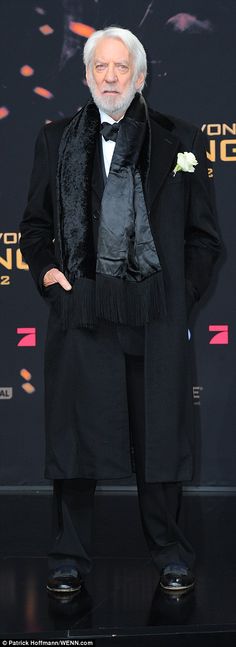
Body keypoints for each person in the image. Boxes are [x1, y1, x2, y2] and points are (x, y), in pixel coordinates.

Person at [19, 26, 222, 597]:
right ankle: (68, 558)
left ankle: (170, 553)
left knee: (159, 438)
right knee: (75, 441)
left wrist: (180, 292)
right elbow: (34, 227)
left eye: (121, 68)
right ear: (85, 76)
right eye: (100, 68)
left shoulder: (178, 138)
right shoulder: (55, 137)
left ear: (140, 76)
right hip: (82, 309)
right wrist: (48, 274)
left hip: (155, 314)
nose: (111, 77)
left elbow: (205, 238)